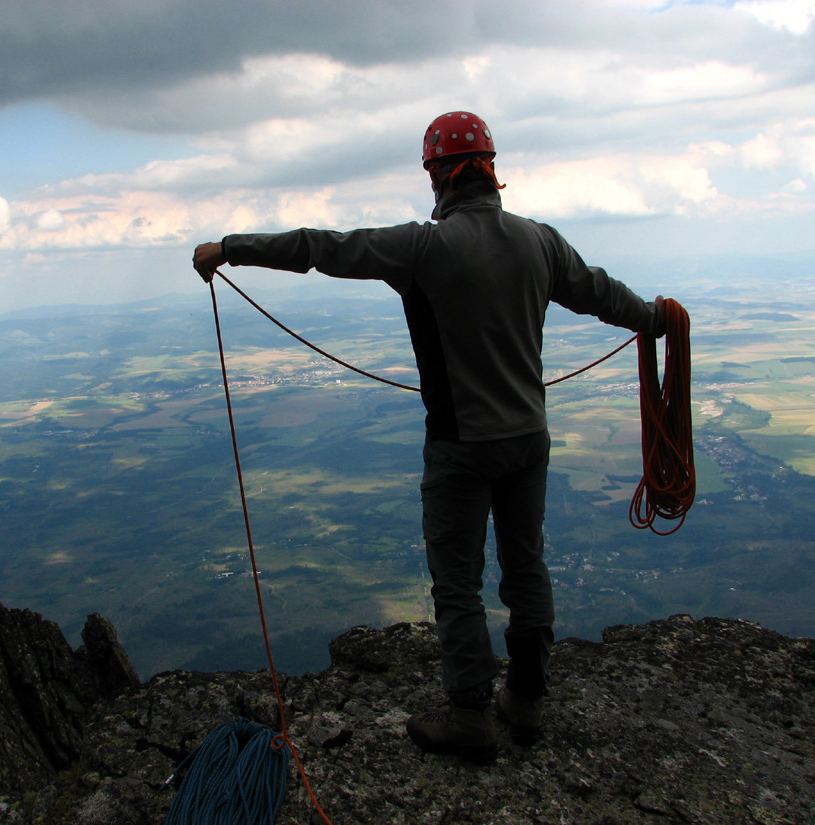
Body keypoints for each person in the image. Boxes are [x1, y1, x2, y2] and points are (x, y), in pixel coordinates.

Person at [192, 111, 667, 761]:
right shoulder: (541, 242)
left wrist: (229, 247)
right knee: (526, 563)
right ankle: (525, 701)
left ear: (438, 175)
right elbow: (601, 294)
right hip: (530, 435)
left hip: (461, 445)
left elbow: (322, 247)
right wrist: (653, 319)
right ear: (492, 172)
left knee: (458, 580)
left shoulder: (424, 247)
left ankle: (471, 714)